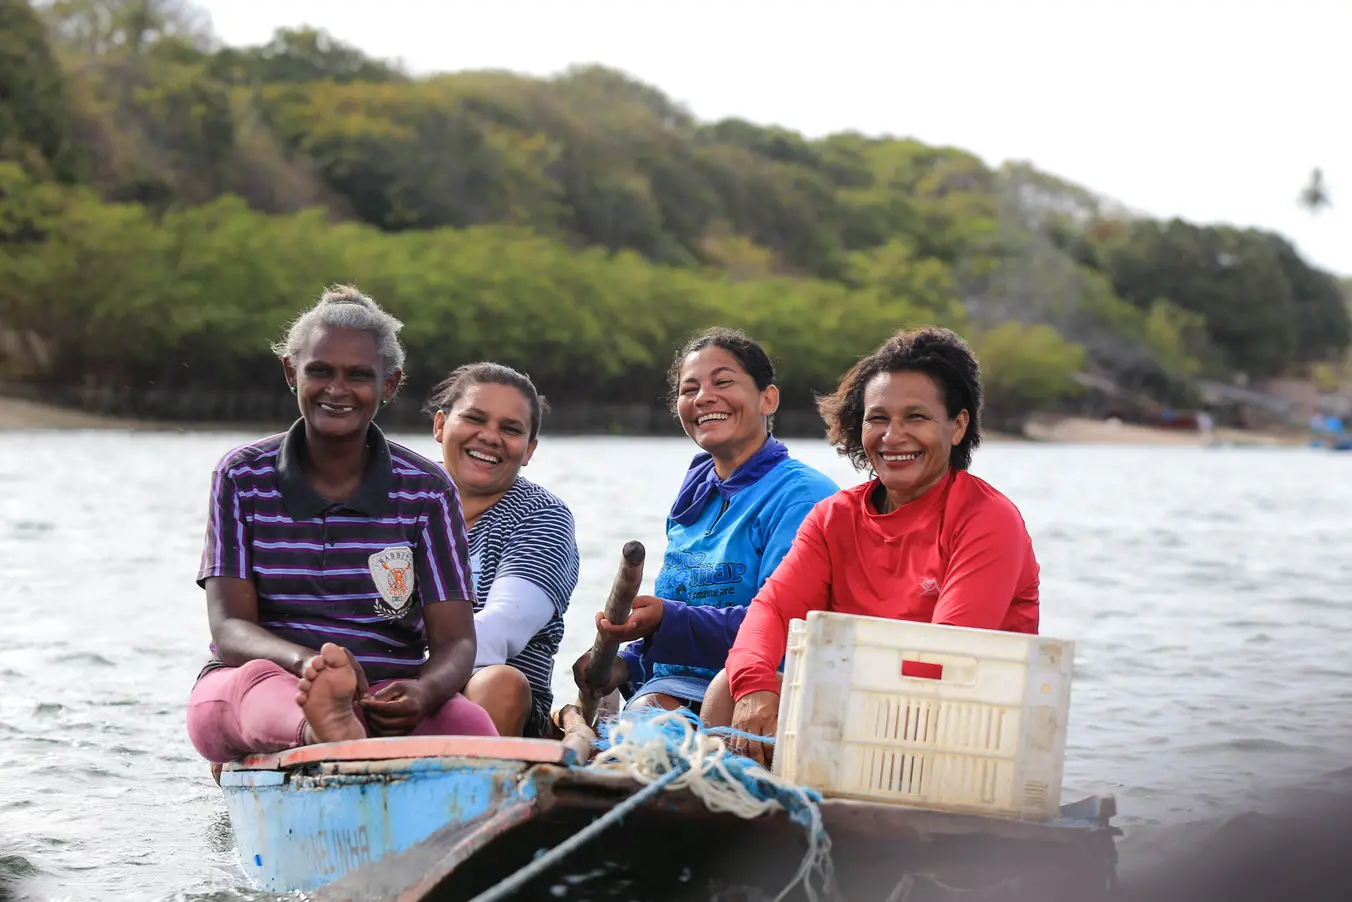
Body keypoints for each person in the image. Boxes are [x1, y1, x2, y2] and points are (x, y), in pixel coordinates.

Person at [186, 285, 498, 768]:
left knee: (473, 727)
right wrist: (307, 665)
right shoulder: (242, 476)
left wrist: (424, 691)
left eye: (358, 376)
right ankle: (318, 727)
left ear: (389, 385)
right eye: (320, 372)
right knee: (235, 702)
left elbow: (456, 640)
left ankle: (343, 729)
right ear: (292, 373)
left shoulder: (428, 491)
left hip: (383, 695)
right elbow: (229, 628)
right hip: (272, 683)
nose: (337, 390)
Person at [704, 326, 1041, 766]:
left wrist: (824, 710)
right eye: (878, 418)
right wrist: (755, 687)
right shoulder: (834, 517)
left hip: (958, 730)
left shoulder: (987, 520)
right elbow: (770, 610)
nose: (892, 436)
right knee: (729, 686)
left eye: (916, 418)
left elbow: (942, 663)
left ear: (958, 426)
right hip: (856, 710)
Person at [573, 327, 838, 715]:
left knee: (648, 717)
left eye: (723, 382)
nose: (703, 398)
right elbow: (686, 607)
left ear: (768, 398)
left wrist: (664, 620)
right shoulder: (695, 494)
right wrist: (625, 662)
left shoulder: (803, 496)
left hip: (755, 693)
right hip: (669, 691)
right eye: (688, 389)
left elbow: (786, 626)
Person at [427, 362, 580, 738]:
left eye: (510, 430)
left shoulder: (542, 516)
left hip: (491, 696)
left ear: (528, 450)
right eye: (475, 419)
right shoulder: (399, 494)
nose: (490, 437)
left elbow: (502, 628)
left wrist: (412, 677)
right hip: (386, 675)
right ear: (440, 426)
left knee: (499, 682)